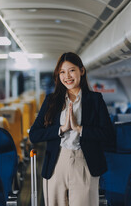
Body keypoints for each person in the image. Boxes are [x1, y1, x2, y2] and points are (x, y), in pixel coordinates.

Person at [29, 52, 116, 206]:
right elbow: (35, 135)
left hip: (85, 161)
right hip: (56, 162)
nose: (67, 76)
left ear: (81, 71)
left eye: (71, 70)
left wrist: (79, 128)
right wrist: (61, 129)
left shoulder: (95, 100)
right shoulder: (51, 100)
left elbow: (108, 134)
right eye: (62, 72)